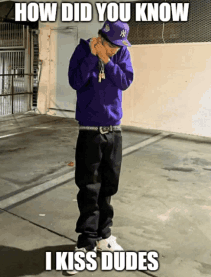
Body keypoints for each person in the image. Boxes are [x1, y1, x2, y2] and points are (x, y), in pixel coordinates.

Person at [67, 20, 134, 274]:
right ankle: (85, 242)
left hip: (114, 131)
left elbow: (125, 81)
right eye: (112, 45)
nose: (117, 49)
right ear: (101, 38)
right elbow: (75, 81)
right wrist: (93, 56)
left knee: (108, 186)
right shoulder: (83, 50)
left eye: (119, 46)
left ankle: (104, 236)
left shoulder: (121, 53)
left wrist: (107, 60)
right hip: (89, 131)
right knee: (88, 187)